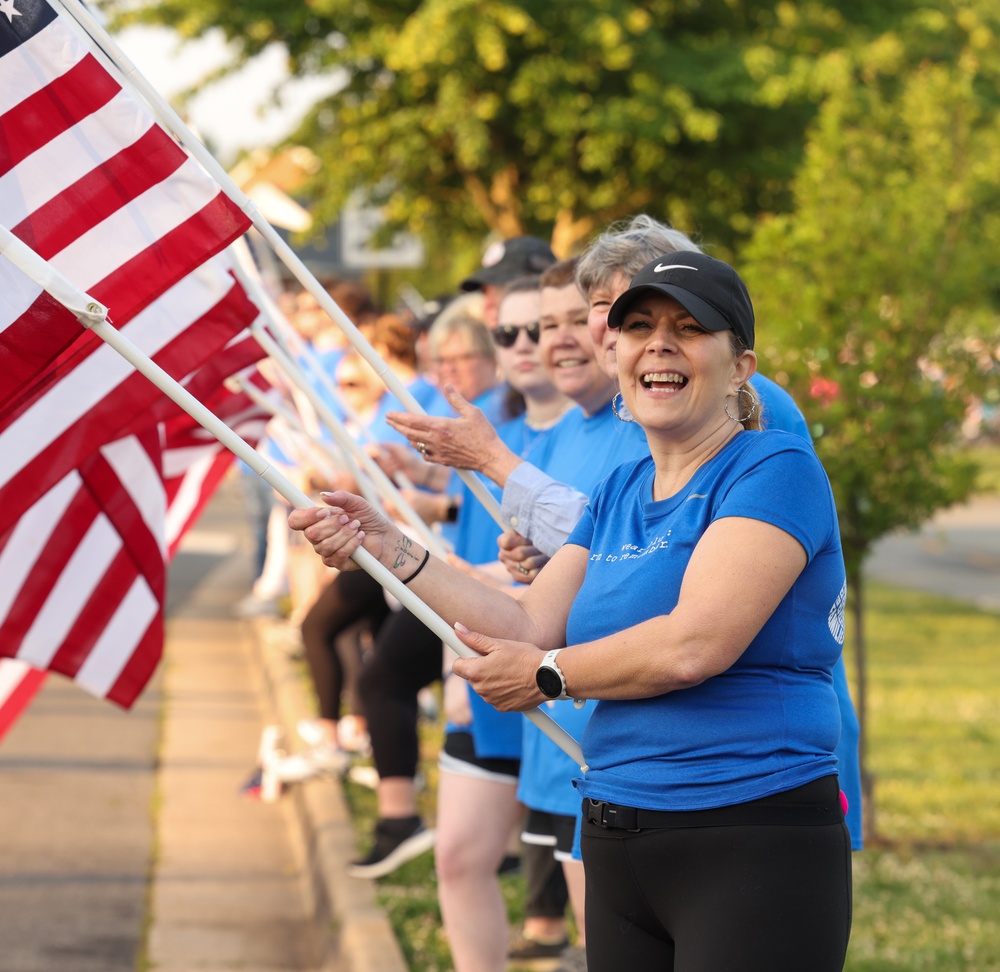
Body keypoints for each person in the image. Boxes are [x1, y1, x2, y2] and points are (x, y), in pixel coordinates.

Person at [289, 251, 853, 972]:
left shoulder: (773, 469)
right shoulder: (622, 488)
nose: (658, 343)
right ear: (614, 352)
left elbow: (694, 644)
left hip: (748, 834)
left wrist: (548, 677)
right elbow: (525, 624)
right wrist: (391, 547)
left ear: (741, 366)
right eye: (638, 326)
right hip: (619, 834)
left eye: (689, 327)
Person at [433, 274, 575, 972]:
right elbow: (464, 575)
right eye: (510, 333)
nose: (528, 346)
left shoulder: (613, 430)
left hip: (576, 686)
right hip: (498, 678)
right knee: (459, 854)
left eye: (541, 328)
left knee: (586, 896)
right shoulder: (490, 428)